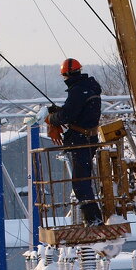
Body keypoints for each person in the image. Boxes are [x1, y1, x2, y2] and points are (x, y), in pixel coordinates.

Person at [46, 58, 103, 226]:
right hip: (90, 138)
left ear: (67, 75)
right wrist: (59, 113)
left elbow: (68, 116)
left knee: (80, 183)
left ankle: (94, 219)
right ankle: (93, 218)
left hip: (81, 140)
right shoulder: (89, 87)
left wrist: (52, 118)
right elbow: (78, 111)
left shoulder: (77, 90)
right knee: (83, 179)